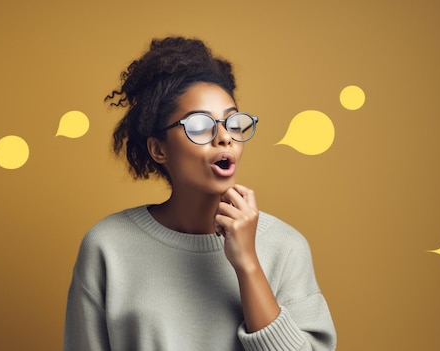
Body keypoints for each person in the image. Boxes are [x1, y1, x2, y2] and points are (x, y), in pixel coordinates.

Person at [64, 36, 337, 351]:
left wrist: (247, 262)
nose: (224, 138)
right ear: (158, 149)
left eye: (233, 122)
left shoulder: (284, 247)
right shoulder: (108, 246)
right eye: (199, 125)